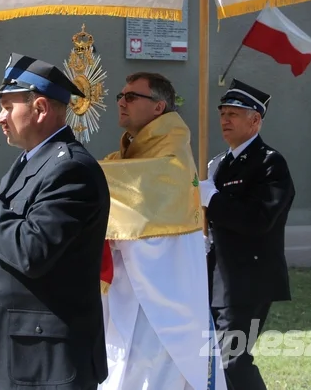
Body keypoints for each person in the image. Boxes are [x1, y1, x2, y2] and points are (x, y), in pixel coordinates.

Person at [0, 53, 111, 390]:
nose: (0, 118)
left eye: (8, 107)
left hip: (49, 360)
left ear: (40, 109)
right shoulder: (30, 163)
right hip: (19, 348)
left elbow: (32, 250)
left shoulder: (72, 170)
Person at [97, 72, 220, 390]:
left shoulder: (172, 156)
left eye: (132, 96)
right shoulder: (135, 151)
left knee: (155, 372)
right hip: (133, 281)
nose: (122, 102)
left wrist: (75, 175)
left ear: (158, 107)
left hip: (163, 289)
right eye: (121, 96)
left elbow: (134, 184)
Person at [198, 79, 295, 390]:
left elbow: (259, 219)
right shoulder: (218, 164)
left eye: (235, 113)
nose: (225, 119)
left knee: (232, 359)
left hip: (248, 278)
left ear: (255, 120)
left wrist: (212, 200)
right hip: (217, 275)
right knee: (212, 358)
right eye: (223, 112)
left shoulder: (269, 163)